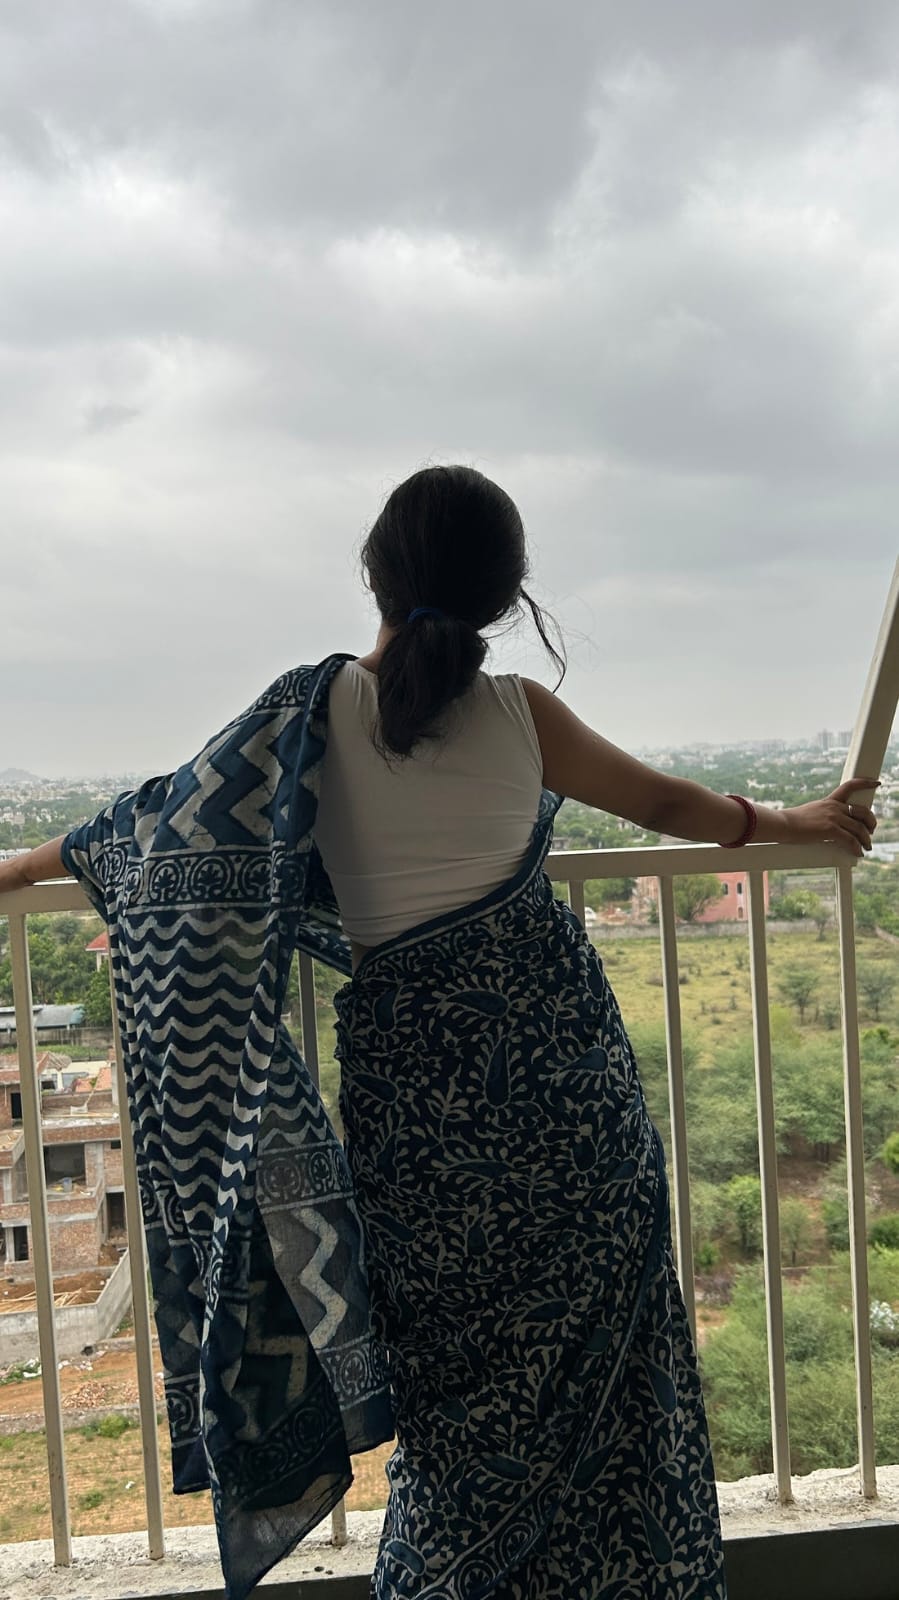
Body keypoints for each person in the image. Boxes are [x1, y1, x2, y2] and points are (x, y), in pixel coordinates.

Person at [0, 465, 877, 1600]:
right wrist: (796, 822)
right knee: (610, 1390)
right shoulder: (524, 712)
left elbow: (162, 821)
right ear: (506, 597)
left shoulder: (307, 719)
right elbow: (670, 808)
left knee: (457, 1408)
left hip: (420, 1118)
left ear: (374, 574)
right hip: (575, 1106)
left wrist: (22, 865)